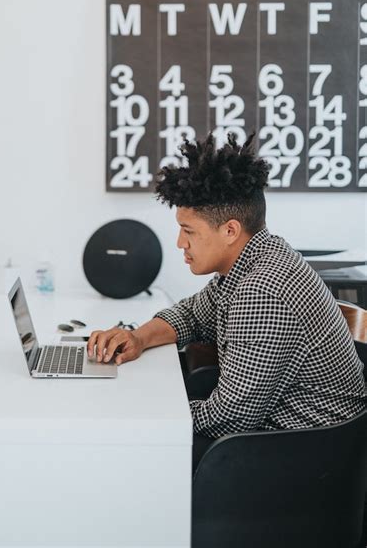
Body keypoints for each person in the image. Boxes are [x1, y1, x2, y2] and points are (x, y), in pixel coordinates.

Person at [87, 132, 366, 467]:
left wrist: (151, 408)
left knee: (130, 450)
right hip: (293, 440)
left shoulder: (262, 290)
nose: (179, 242)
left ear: (230, 231)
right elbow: (192, 314)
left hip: (305, 460)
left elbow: (229, 419)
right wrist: (137, 338)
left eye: (189, 231)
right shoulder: (255, 257)